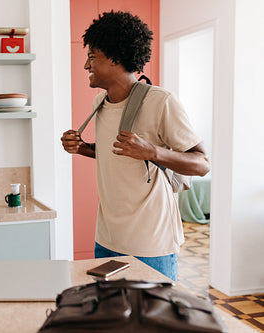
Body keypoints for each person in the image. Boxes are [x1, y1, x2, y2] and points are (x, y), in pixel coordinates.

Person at [61, 11, 210, 281]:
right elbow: (116, 155)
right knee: (113, 320)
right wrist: (81, 147)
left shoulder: (161, 101)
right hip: (107, 239)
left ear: (115, 58)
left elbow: (202, 164)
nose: (86, 65)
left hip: (151, 243)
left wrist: (152, 151)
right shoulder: (100, 104)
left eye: (92, 56)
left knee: (154, 322)